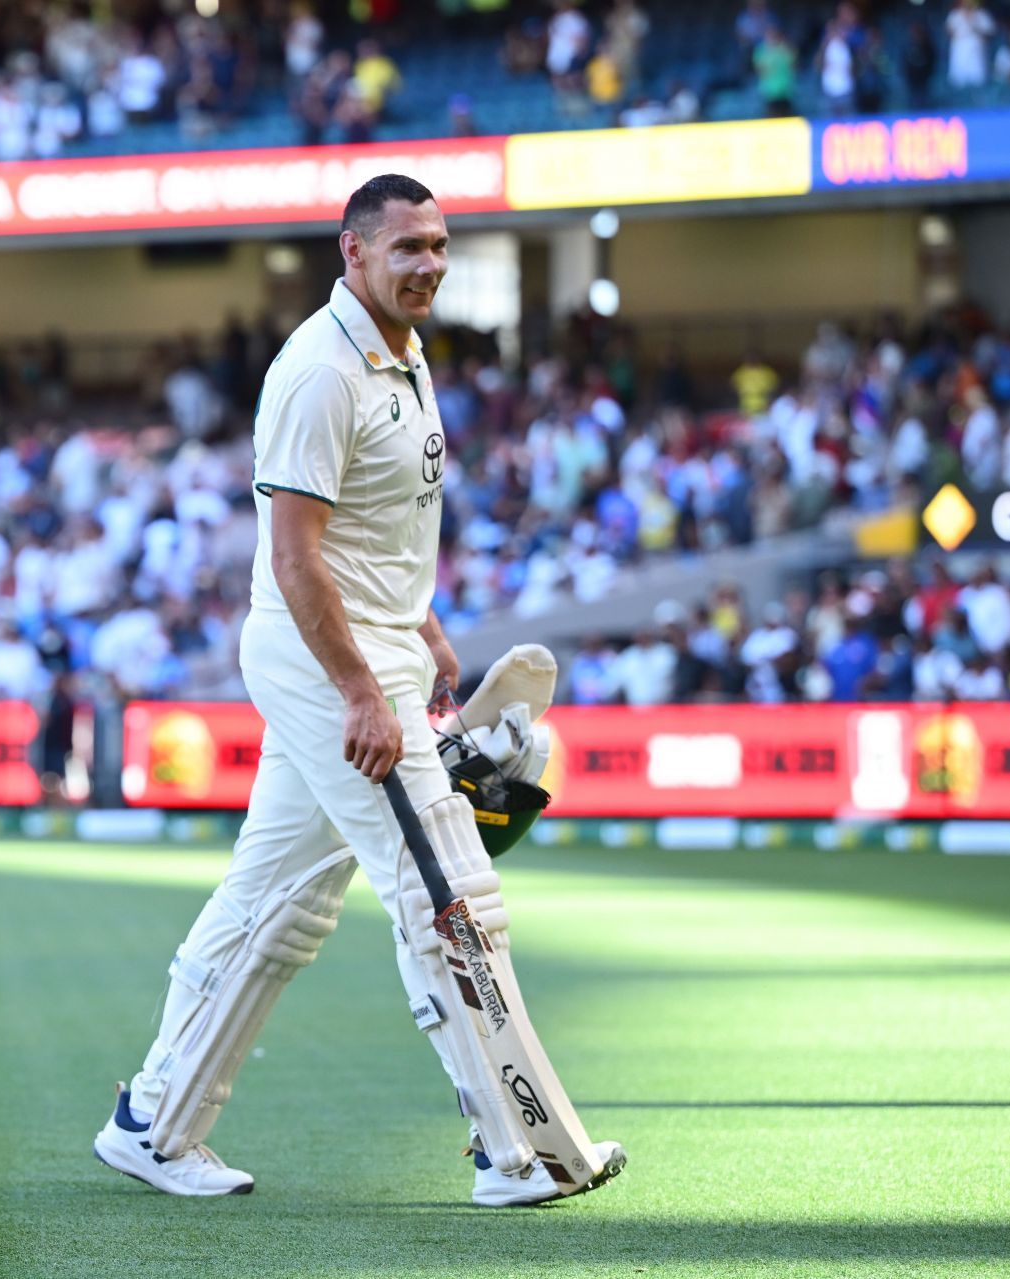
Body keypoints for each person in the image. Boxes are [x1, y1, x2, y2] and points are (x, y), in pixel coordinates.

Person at [92, 175, 624, 1206]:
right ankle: (519, 1150)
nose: (428, 263)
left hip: (371, 646)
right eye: (406, 248)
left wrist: (420, 622)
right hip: (323, 660)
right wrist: (362, 691)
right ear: (353, 251)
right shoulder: (319, 372)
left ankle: (155, 1122)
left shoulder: (406, 353)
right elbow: (293, 558)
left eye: (439, 245)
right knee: (448, 892)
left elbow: (374, 524)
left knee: (278, 906)